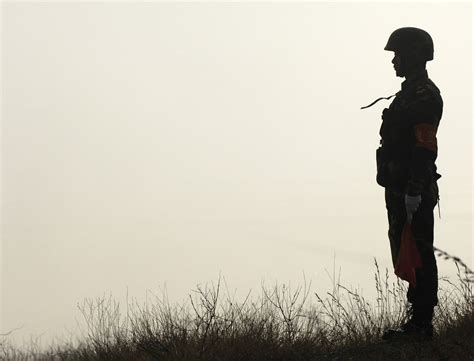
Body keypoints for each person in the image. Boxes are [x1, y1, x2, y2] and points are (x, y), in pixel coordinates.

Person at [375, 27, 443, 341]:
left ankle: (421, 325)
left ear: (414, 55)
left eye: (397, 54)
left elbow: (425, 145)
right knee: (407, 252)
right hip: (401, 187)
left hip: (412, 189)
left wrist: (415, 189)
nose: (393, 61)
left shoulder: (423, 94)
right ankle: (416, 322)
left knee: (418, 253)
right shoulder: (408, 93)